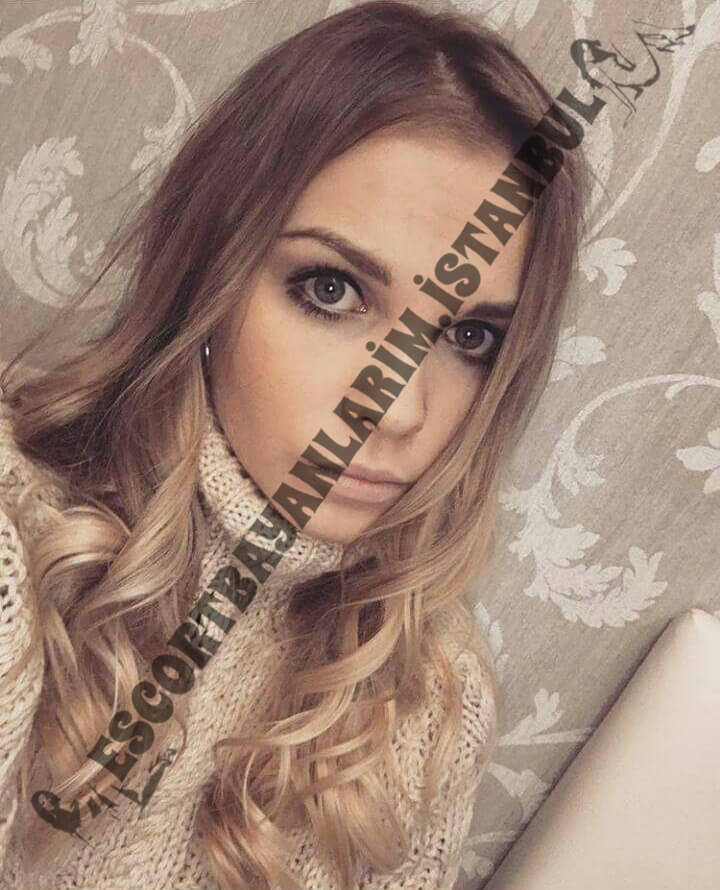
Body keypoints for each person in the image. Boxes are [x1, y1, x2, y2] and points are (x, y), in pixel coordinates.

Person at [0, 1, 587, 888]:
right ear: (210, 275)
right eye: (332, 289)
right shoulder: (21, 550)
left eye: (469, 337)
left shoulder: (430, 697)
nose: (399, 409)